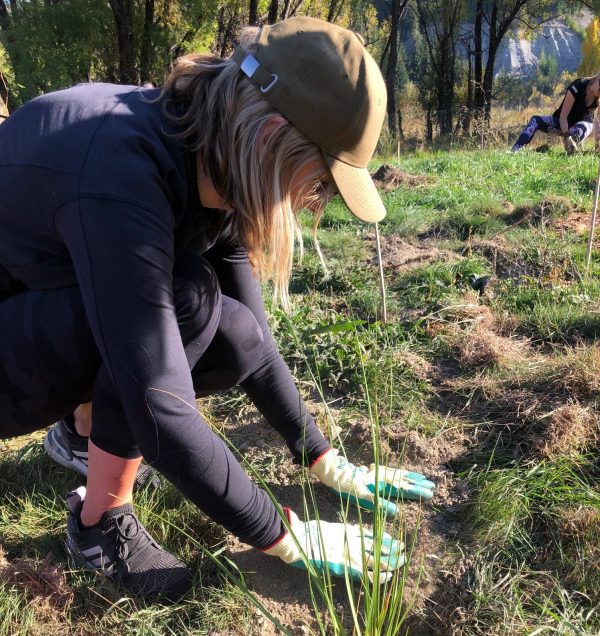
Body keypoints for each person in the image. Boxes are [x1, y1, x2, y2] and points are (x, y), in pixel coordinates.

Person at [0, 16, 435, 600]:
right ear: (271, 138)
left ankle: (83, 433)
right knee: (184, 300)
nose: (316, 201)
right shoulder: (122, 178)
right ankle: (99, 523)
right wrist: (287, 536)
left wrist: (323, 458)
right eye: (323, 181)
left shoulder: (214, 149)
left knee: (221, 323)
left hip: (36, 294)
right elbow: (163, 411)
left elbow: (250, 338)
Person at [511, 74, 600, 153]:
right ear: (597, 78)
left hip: (583, 124)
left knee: (576, 132)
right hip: (563, 121)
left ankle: (571, 152)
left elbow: (598, 123)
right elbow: (563, 116)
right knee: (535, 120)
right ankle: (515, 150)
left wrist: (597, 145)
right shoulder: (578, 85)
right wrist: (566, 137)